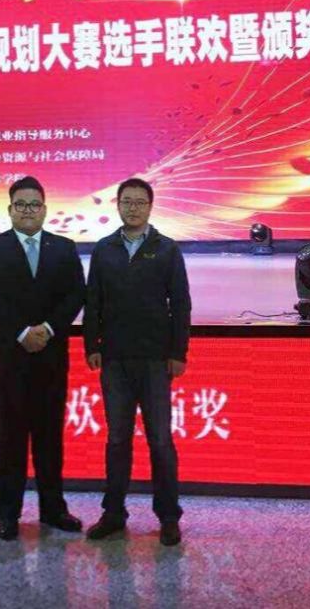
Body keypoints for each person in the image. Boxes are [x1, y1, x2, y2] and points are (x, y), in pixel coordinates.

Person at [0, 175, 86, 541]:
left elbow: (75, 295)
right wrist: (22, 333)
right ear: (10, 210)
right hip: (8, 361)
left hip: (50, 359)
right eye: (20, 205)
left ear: (45, 210)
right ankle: (8, 514)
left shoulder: (64, 248)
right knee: (9, 440)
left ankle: (54, 510)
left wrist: (48, 329)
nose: (27, 211)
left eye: (34, 205)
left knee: (50, 439)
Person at [83, 177, 191, 547]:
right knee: (117, 439)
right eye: (126, 201)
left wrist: (178, 353)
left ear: (150, 207)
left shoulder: (167, 249)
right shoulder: (104, 249)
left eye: (139, 202)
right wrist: (91, 345)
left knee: (160, 439)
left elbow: (180, 304)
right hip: (114, 358)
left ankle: (169, 516)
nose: (132, 208)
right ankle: (113, 513)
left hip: (156, 360)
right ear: (117, 205)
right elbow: (93, 301)